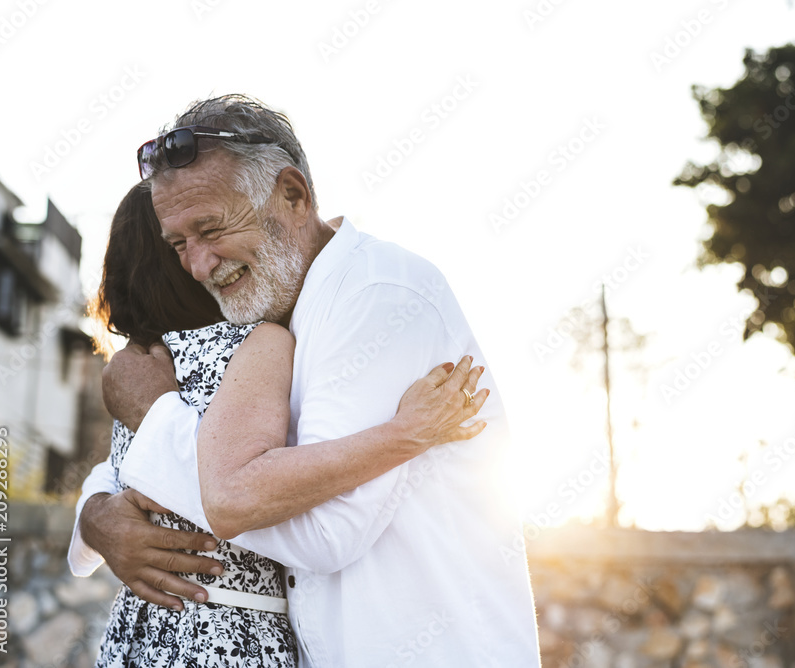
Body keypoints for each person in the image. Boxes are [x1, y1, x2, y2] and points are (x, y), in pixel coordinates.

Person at [70, 94, 542, 667]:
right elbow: (164, 459)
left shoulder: (376, 296)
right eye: (177, 245)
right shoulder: (278, 314)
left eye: (211, 228)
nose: (197, 264)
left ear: (292, 196)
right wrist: (97, 516)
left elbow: (323, 530)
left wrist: (155, 416)